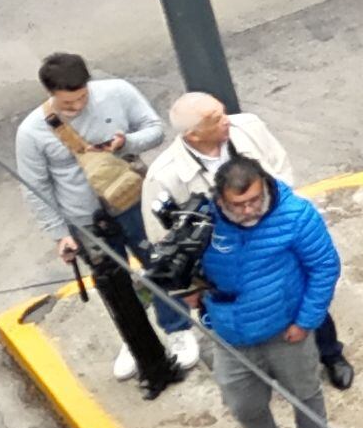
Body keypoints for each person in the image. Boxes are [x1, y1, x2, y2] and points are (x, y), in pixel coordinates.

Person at [141, 92, 348, 388]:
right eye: (216, 119)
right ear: (193, 134)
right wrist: (187, 288)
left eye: (223, 112)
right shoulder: (164, 176)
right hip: (222, 269)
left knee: (306, 300)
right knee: (235, 325)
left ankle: (331, 355)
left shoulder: (248, 127)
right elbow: (162, 240)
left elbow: (280, 166)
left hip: (276, 246)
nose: (227, 120)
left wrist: (278, 219)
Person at [18, 52, 189, 393]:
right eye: (67, 102)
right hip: (85, 220)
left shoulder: (118, 92)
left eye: (82, 97)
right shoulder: (32, 132)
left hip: (130, 199)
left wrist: (127, 143)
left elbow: (154, 130)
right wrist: (59, 235)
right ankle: (134, 337)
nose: (76, 107)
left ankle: (177, 328)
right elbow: (36, 188)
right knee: (113, 281)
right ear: (50, 93)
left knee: (158, 262)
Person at [191, 155, 343, 428]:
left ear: (266, 186)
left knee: (305, 392)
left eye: (255, 200)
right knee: (243, 404)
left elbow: (324, 267)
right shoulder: (203, 222)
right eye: (238, 204)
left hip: (286, 331)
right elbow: (185, 267)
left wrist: (306, 321)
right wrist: (189, 291)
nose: (249, 211)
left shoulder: (297, 216)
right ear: (220, 200)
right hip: (231, 336)